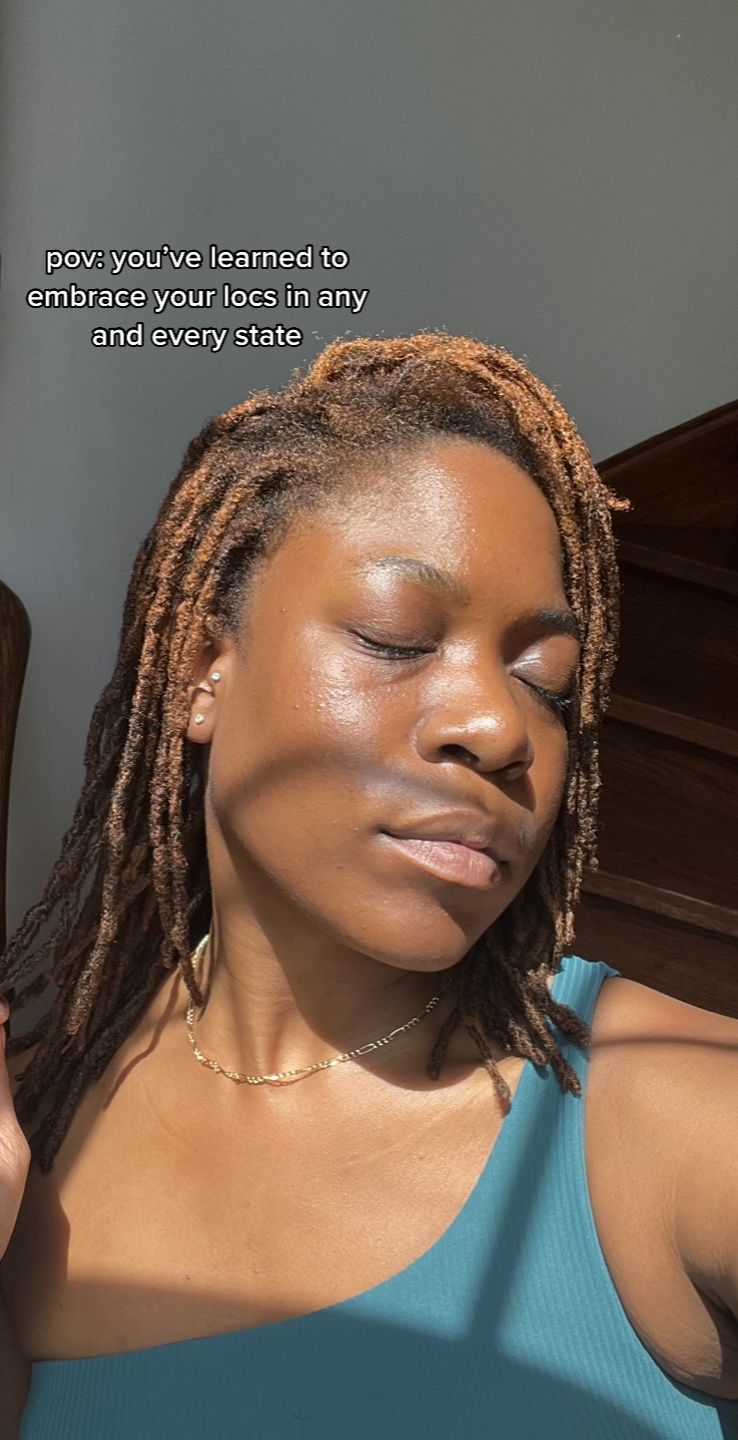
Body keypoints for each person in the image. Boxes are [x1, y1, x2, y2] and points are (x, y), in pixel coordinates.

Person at [0, 334, 736, 1439]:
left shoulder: (650, 1110)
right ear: (201, 672)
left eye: (547, 682)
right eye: (397, 639)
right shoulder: (32, 1133)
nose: (500, 727)